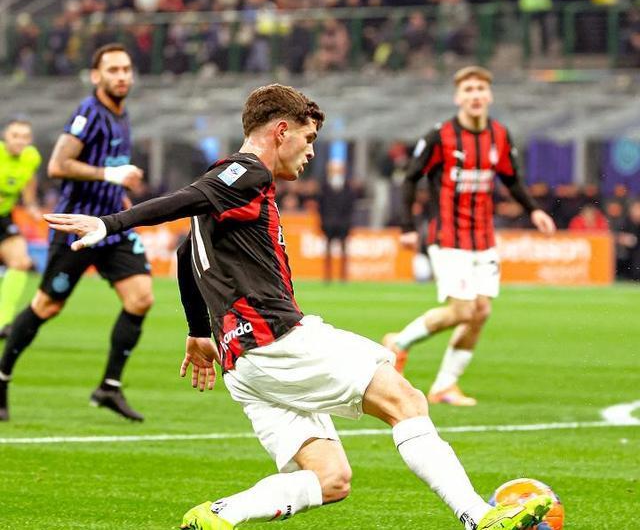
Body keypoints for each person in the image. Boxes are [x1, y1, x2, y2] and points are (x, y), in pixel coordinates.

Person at [44, 83, 551, 530]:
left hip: (244, 366)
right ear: (281, 131)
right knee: (406, 400)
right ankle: (480, 517)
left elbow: (183, 253)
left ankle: (219, 515)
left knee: (331, 479)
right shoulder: (245, 172)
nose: (310, 153)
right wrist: (111, 223)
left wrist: (199, 332)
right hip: (277, 340)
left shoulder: (227, 187)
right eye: (308, 140)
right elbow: (183, 200)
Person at [383, 66, 556, 406]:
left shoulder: (500, 135)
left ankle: (445, 386)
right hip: (448, 236)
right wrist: (407, 226)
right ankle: (398, 343)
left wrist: (534, 209)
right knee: (463, 310)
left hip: (483, 238)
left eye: (480, 89)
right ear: (457, 97)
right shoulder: (440, 136)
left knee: (481, 312)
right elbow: (411, 177)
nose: (475, 95)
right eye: (468, 90)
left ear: (489, 95)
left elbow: (512, 178)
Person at [0, 43, 154, 422]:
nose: (121, 76)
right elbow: (58, 165)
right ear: (96, 76)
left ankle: (109, 387)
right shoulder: (89, 113)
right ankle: (2, 378)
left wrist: (119, 189)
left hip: (112, 226)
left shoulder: (122, 114)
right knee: (46, 306)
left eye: (126, 69)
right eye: (113, 70)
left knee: (141, 298)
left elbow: (110, 166)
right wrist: (110, 174)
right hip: (77, 227)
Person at [0, 119, 42, 339]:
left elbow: (29, 181)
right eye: (15, 135)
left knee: (21, 262)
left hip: (3, 218)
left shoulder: (31, 157)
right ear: (5, 136)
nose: (20, 141)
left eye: (25, 137)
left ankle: (2, 322)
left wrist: (31, 205)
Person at [318, 159, 357, 282]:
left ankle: (343, 276)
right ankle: (327, 276)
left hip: (343, 223)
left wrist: (348, 222)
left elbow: (351, 206)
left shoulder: (348, 187)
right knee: (327, 250)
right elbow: (321, 206)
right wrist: (323, 221)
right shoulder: (324, 187)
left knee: (344, 250)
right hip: (328, 223)